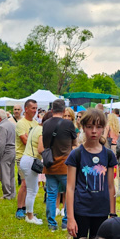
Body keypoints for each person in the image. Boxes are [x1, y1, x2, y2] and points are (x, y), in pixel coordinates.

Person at [66, 109, 118, 239]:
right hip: (81, 210)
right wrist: (70, 218)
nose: (94, 131)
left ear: (104, 128)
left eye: (98, 127)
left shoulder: (108, 155)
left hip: (101, 211)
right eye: (89, 127)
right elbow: (70, 187)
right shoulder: (76, 154)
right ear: (83, 128)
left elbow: (110, 186)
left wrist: (112, 214)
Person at [41, 99, 77, 232]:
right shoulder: (68, 124)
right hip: (65, 165)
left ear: (51, 110)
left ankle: (51, 223)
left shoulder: (45, 124)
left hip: (49, 164)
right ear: (63, 110)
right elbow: (75, 144)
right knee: (69, 192)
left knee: (51, 194)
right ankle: (65, 221)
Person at [20, 112, 49, 224]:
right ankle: (30, 217)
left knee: (32, 189)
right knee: (32, 191)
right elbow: (41, 149)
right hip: (31, 161)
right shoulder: (42, 131)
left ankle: (30, 215)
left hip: (26, 159)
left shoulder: (36, 127)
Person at [15, 99, 38, 219]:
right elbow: (25, 141)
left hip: (33, 157)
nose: (35, 110)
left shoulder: (35, 124)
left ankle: (27, 209)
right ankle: (19, 208)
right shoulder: (21, 123)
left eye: (36, 108)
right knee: (24, 184)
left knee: (31, 185)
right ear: (26, 109)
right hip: (21, 156)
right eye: (33, 108)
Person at [0, 109, 16, 199]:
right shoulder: (12, 125)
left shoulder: (2, 127)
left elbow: (1, 143)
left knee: (5, 174)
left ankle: (7, 194)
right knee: (11, 174)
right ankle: (12, 193)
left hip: (6, 152)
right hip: (13, 151)